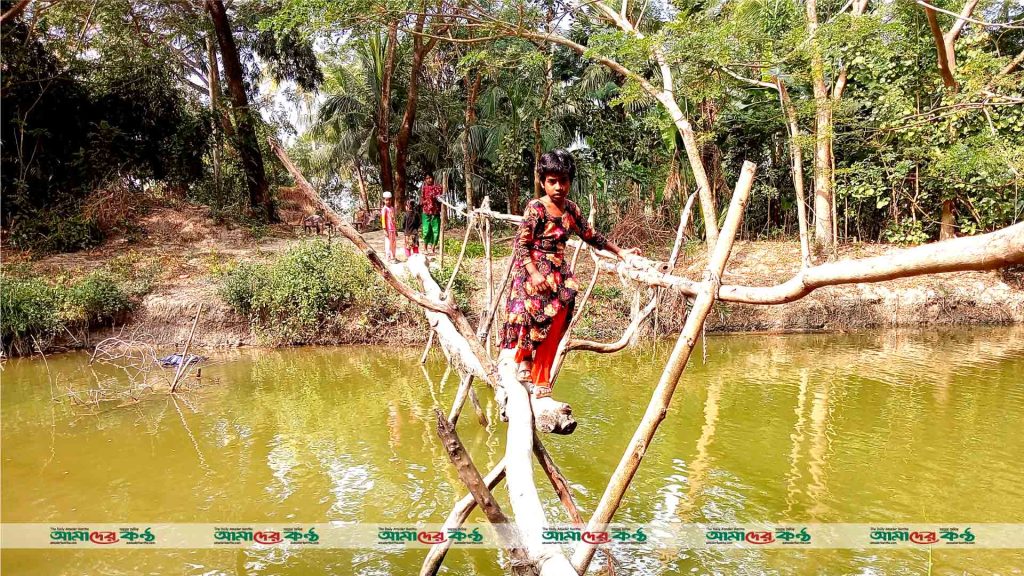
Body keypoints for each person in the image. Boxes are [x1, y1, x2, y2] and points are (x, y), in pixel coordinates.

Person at [499, 149, 642, 399]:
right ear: (543, 182)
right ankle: (524, 360)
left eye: (563, 181)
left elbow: (590, 235)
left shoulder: (571, 210)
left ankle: (541, 377)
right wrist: (533, 273)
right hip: (532, 272)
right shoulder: (536, 208)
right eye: (552, 181)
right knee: (530, 319)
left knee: (554, 327)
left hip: (558, 276)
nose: (558, 187)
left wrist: (620, 252)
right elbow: (521, 244)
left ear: (569, 182)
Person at [421, 175, 443, 256]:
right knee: (426, 231)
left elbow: (441, 199)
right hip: (426, 213)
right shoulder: (423, 189)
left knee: (436, 231)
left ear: (433, 178)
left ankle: (433, 248)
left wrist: (437, 197)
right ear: (425, 180)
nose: (429, 180)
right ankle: (425, 248)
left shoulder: (438, 188)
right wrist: (427, 201)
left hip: (436, 213)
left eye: (430, 178)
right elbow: (421, 201)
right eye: (427, 178)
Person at [381, 192, 398, 263]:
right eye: (386, 200)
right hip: (388, 230)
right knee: (388, 243)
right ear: (384, 200)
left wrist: (396, 229)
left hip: (393, 229)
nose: (388, 201)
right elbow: (383, 220)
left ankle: (393, 256)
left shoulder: (392, 208)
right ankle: (388, 257)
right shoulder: (384, 209)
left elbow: (394, 219)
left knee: (393, 243)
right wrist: (384, 230)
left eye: (389, 200)